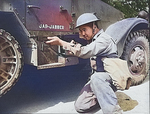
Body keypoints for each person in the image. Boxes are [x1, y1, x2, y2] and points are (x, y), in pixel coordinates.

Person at [46, 13, 123, 114]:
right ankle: (106, 97)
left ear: (94, 27)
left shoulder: (104, 39)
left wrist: (61, 42)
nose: (82, 34)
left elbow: (84, 52)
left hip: (111, 77)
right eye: (81, 30)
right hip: (100, 79)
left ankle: (113, 111)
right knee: (81, 106)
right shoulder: (93, 40)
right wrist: (67, 45)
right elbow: (80, 49)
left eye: (84, 29)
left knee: (96, 78)